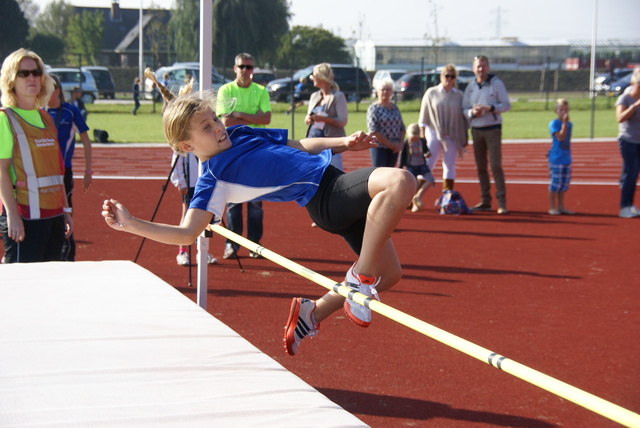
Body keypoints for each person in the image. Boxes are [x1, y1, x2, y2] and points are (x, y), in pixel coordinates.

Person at [101, 81, 416, 356]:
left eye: (214, 119)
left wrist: (343, 143)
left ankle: (312, 313)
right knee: (400, 182)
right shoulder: (213, 179)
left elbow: (297, 145)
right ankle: (359, 281)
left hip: (334, 183)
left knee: (389, 274)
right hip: (326, 196)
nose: (218, 127)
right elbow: (187, 233)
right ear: (187, 146)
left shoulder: (238, 133)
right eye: (207, 128)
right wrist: (130, 223)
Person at [0, 48, 72, 263]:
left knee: (49, 287)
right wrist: (12, 215)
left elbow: (56, 171)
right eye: (23, 73)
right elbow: (1, 171)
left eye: (36, 72)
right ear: (11, 80)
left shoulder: (46, 118)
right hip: (25, 217)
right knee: (22, 287)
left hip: (54, 216)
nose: (31, 78)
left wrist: (65, 209)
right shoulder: (6, 119)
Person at [216, 53, 272, 260]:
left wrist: (239, 114)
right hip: (232, 151)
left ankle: (254, 244)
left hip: (256, 150)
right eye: (242, 67)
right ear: (235, 68)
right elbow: (226, 121)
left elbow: (266, 118)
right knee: (233, 201)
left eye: (249, 67)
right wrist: (251, 118)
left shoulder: (261, 90)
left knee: (256, 200)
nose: (246, 71)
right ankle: (232, 244)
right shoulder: (226, 90)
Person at [47, 74, 94, 261]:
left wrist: (88, 172)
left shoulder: (70, 112)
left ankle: (67, 256)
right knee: (46, 213)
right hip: (42, 171)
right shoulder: (38, 111)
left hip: (63, 172)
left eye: (46, 88)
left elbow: (86, 142)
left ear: (57, 90)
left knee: (65, 213)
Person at [462, 55, 511, 214]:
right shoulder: (470, 87)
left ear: (488, 67)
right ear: (473, 68)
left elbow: (506, 105)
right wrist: (472, 112)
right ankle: (485, 201)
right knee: (481, 167)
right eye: (478, 66)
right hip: (476, 130)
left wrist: (489, 108)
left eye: (483, 66)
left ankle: (501, 202)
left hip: (493, 128)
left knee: (495, 165)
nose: (480, 69)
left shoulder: (497, 84)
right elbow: (464, 108)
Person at [419, 64, 468, 193]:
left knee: (449, 165)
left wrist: (465, 135)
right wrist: (422, 137)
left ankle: (447, 195)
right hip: (434, 132)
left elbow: (463, 118)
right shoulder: (431, 93)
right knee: (427, 164)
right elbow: (423, 117)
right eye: (446, 75)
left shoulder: (459, 95)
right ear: (441, 76)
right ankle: (413, 196)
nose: (449, 79)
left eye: (452, 76)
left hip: (452, 135)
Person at [170, 151, 219, 265]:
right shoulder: (182, 143)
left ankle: (202, 251)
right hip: (189, 183)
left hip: (203, 182)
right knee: (186, 214)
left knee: (204, 216)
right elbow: (176, 160)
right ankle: (182, 252)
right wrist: (180, 182)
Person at [305, 63, 348, 171]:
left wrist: (323, 119)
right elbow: (307, 117)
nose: (312, 79)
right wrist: (309, 119)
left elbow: (342, 121)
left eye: (314, 76)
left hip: (330, 144)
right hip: (312, 142)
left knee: (334, 174)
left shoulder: (338, 96)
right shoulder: (314, 96)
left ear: (321, 78)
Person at [615, 70, 640, 218]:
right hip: (628, 141)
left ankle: (630, 205)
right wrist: (634, 106)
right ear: (632, 84)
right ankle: (624, 206)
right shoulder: (624, 99)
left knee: (634, 174)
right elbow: (620, 118)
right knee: (631, 173)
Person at [367, 77, 405, 167]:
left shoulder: (394, 107)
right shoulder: (373, 108)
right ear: (377, 91)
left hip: (394, 149)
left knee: (390, 174)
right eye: (383, 89)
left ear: (392, 92)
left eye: (388, 89)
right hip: (379, 147)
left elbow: (402, 128)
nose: (385, 92)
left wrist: (400, 144)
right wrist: (390, 145)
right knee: (379, 173)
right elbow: (374, 131)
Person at [547, 99, 575, 216]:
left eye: (566, 110)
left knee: (564, 185)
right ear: (556, 111)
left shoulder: (569, 124)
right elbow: (561, 138)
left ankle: (561, 206)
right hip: (556, 158)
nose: (564, 112)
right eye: (561, 109)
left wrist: (566, 123)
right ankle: (552, 207)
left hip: (566, 157)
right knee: (555, 184)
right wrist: (564, 123)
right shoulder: (554, 123)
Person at [400, 123, 435, 212]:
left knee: (430, 179)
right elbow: (403, 156)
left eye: (416, 136)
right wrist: (400, 167)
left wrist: (428, 154)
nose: (414, 138)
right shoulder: (407, 143)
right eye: (412, 137)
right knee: (413, 185)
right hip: (411, 166)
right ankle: (414, 205)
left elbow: (426, 151)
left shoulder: (422, 141)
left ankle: (418, 195)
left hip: (422, 165)